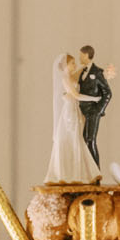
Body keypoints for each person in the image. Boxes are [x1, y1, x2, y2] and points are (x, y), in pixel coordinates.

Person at [47, 51, 98, 182]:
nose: (75, 65)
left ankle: (79, 173)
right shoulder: (65, 79)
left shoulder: (70, 77)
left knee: (77, 138)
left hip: (75, 108)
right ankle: (72, 174)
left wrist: (86, 65)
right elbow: (76, 95)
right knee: (73, 137)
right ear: (65, 65)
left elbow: (80, 72)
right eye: (72, 63)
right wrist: (94, 99)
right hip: (70, 110)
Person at [77, 45, 114, 167]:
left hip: (93, 111)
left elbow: (108, 93)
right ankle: (89, 171)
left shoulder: (97, 72)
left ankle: (96, 171)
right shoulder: (82, 71)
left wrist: (99, 110)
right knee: (84, 139)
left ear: (87, 55)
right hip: (84, 111)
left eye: (81, 55)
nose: (79, 58)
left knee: (90, 140)